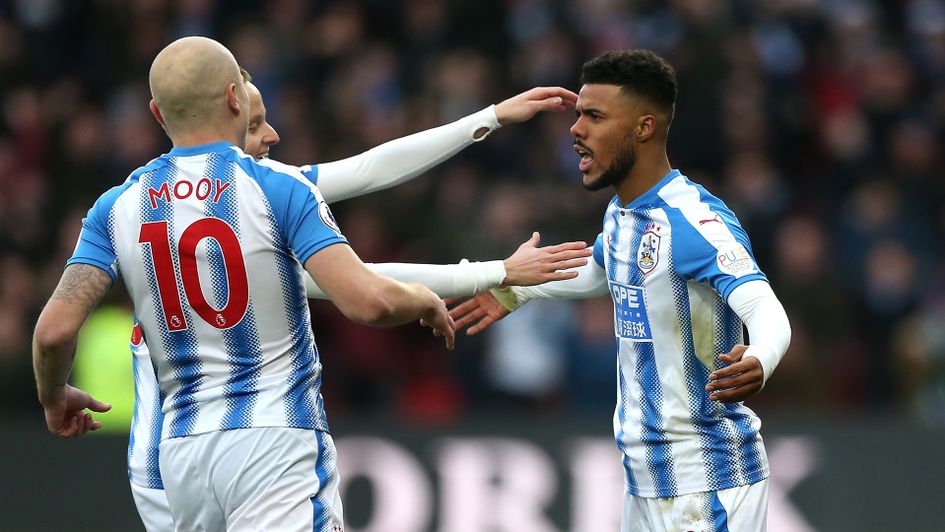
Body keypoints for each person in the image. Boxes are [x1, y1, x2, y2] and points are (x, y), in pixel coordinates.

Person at [126, 59, 587, 531]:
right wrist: (496, 271)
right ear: (224, 114)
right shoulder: (256, 204)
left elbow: (370, 169)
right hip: (252, 449)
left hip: (174, 459)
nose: (273, 137)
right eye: (255, 124)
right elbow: (365, 282)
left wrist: (488, 117)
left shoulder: (138, 208)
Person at [31, 36, 462, 531]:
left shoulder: (115, 207)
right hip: (275, 441)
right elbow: (368, 301)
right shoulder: (276, 187)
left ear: (157, 113)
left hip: (183, 455)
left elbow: (53, 331)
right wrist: (424, 300)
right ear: (236, 98)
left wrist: (54, 395)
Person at [449, 50, 792, 531]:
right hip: (645, 483)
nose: (576, 130)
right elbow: (598, 272)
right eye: (577, 116)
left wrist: (762, 357)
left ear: (644, 127)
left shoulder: (694, 223)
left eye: (594, 116)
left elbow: (764, 305)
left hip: (705, 481)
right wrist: (515, 291)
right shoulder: (622, 214)